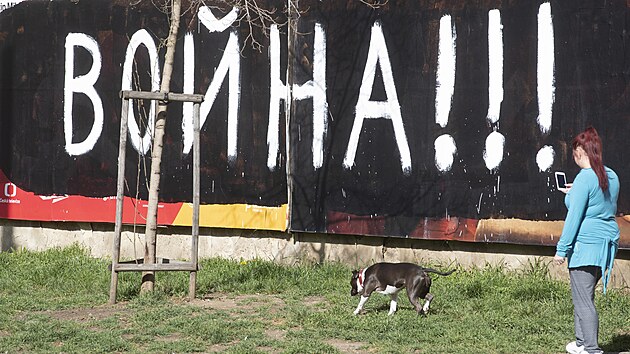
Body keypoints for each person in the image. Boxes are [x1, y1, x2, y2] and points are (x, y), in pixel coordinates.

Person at [554, 126, 620, 354]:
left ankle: (592, 349)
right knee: (584, 296)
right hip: (605, 247)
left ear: (579, 152)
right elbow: (601, 204)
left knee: (583, 301)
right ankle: (581, 342)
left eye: (574, 152)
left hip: (585, 248)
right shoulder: (611, 175)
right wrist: (576, 192)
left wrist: (562, 250)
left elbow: (574, 219)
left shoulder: (584, 179)